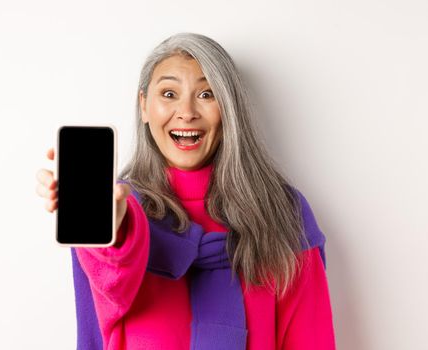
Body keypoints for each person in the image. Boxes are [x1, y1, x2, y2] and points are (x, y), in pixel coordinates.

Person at [36, 32, 336, 350]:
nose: (187, 111)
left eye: (207, 94)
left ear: (229, 109)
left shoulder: (282, 210)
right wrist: (114, 232)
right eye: (168, 93)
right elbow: (110, 293)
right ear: (144, 107)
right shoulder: (118, 208)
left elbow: (310, 338)